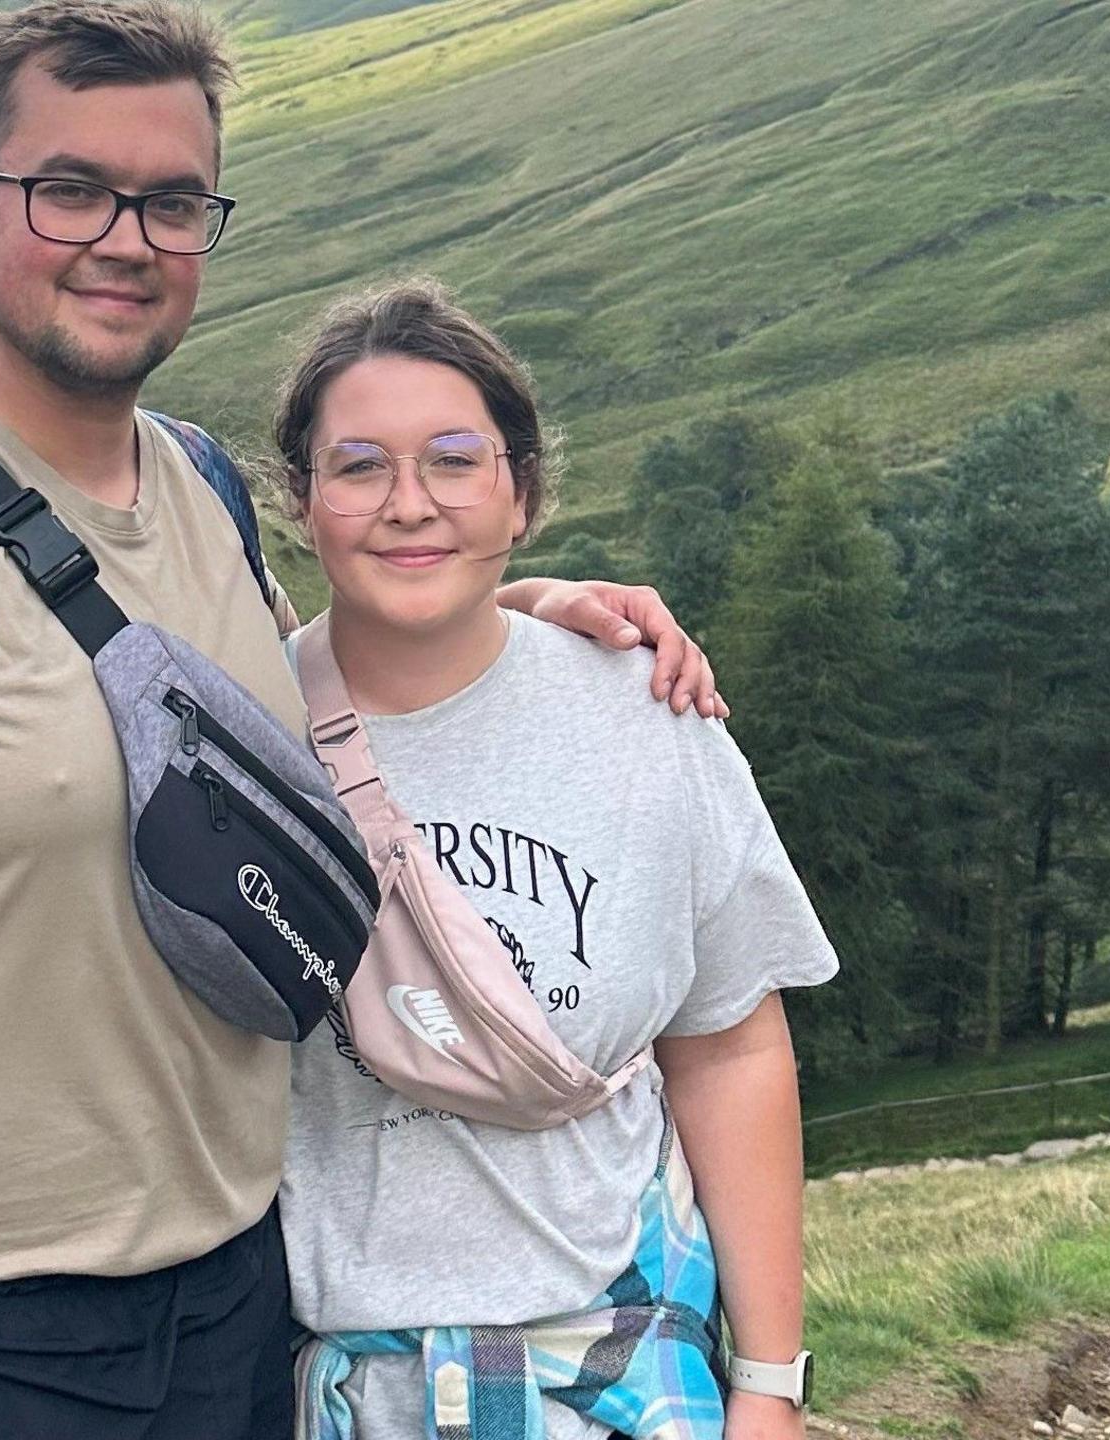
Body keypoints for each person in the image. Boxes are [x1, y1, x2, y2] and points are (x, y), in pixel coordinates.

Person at [0, 4, 720, 1438]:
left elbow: (284, 694)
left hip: (243, 1308)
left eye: (173, 202)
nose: (125, 239)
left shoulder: (199, 488)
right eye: (71, 189)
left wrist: (522, 609)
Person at [272, 279, 839, 1440]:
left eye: (453, 461)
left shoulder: (648, 715)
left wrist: (769, 1387)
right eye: (359, 466)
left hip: (621, 1382)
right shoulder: (239, 745)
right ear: (301, 501)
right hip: (335, 1395)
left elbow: (730, 1047)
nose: (408, 505)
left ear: (520, 492)